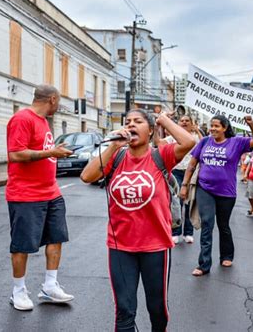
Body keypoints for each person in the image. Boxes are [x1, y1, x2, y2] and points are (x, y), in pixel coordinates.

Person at [80, 110, 195, 332]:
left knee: (157, 309)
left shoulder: (161, 155)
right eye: (128, 122)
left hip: (155, 246)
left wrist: (163, 119)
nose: (131, 125)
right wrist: (113, 145)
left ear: (150, 130)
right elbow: (87, 176)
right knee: (124, 310)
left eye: (138, 122)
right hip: (120, 246)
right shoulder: (117, 156)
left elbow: (188, 141)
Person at [6, 84, 74, 311]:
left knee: (56, 238)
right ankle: (18, 291)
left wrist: (54, 150)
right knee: (22, 245)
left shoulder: (44, 121)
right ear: (52, 99)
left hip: (51, 192)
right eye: (59, 101)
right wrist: (51, 152)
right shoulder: (22, 119)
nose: (58, 105)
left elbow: (40, 150)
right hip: (26, 195)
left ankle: (50, 286)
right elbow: (15, 154)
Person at [179, 115, 253, 276]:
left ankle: (227, 255)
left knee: (223, 225)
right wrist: (184, 185)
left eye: (217, 126)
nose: (213, 129)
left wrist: (251, 126)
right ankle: (204, 264)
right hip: (205, 189)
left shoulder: (236, 142)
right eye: (212, 126)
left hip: (226, 193)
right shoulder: (204, 142)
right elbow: (192, 164)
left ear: (224, 128)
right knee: (207, 224)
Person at [159, 115, 203, 245]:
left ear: (192, 123)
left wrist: (198, 131)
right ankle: (176, 232)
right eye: (182, 121)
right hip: (176, 172)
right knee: (176, 202)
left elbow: (206, 144)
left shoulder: (195, 138)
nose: (184, 122)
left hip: (192, 174)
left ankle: (188, 233)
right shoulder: (173, 137)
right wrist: (159, 126)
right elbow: (159, 143)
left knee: (189, 203)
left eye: (187, 121)